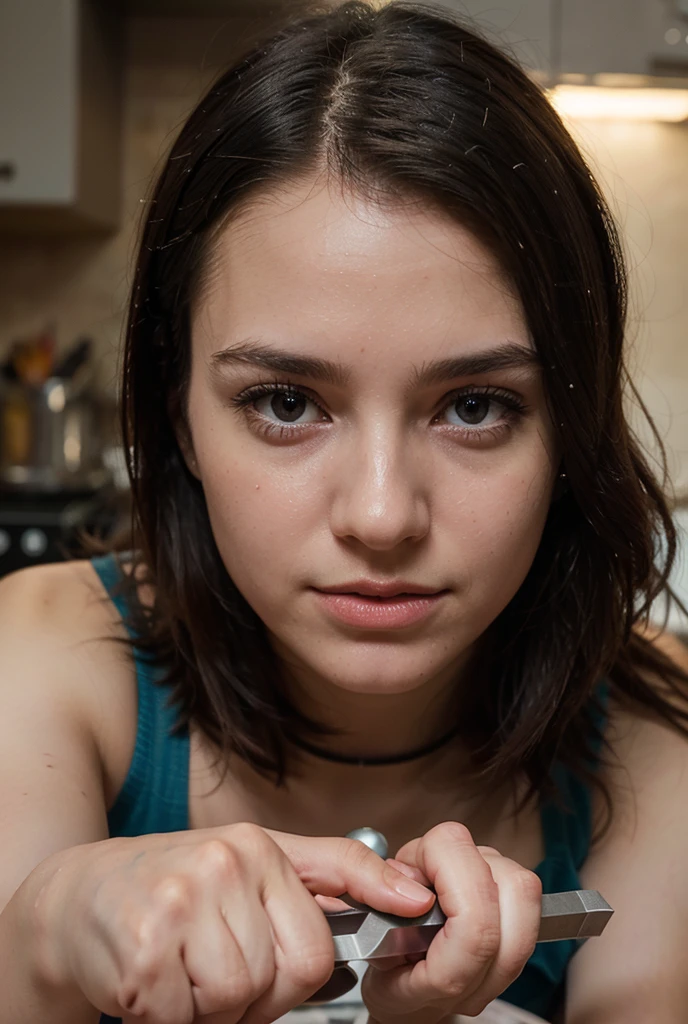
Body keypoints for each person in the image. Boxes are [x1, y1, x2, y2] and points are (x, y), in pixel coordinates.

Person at [1, 1, 688, 1021]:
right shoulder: (42, 661)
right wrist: (41, 945)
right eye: (285, 403)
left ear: (568, 431)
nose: (379, 515)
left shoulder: (654, 736)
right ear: (177, 417)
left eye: (473, 406)